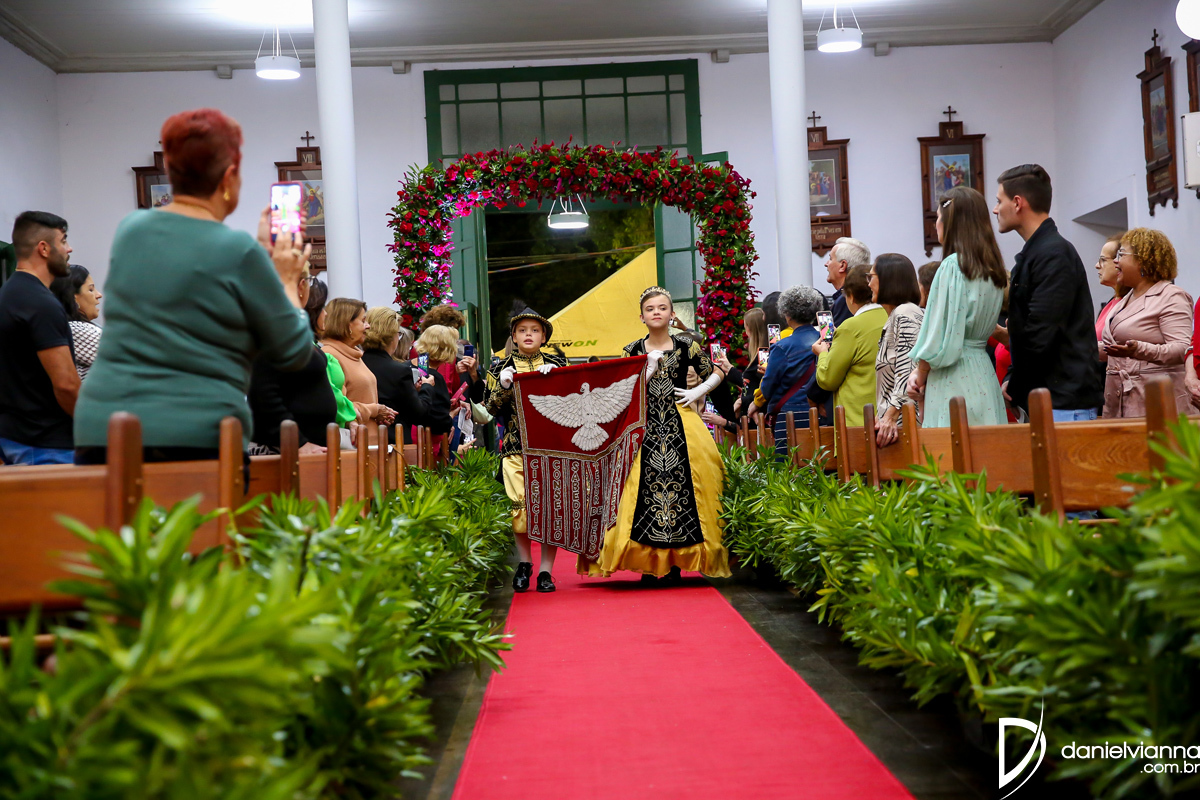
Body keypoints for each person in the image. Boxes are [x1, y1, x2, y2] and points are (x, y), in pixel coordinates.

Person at [75, 109, 313, 464]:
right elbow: (293, 352)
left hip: (104, 425)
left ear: (171, 172)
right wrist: (286, 280)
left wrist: (259, 255)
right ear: (229, 177)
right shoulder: (239, 251)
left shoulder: (131, 230)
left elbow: (192, 282)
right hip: (192, 431)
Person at [585, 287, 730, 584]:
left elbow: (717, 371)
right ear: (641, 316)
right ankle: (648, 563)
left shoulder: (687, 346)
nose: (656, 312)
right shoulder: (631, 350)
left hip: (683, 425)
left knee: (688, 489)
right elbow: (622, 391)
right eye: (650, 309)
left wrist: (698, 391)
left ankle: (676, 562)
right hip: (643, 427)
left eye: (662, 308)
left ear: (672, 314)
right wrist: (647, 370)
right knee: (641, 492)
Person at [991, 164, 1102, 421]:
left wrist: (1016, 382)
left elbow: (1041, 334)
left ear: (1017, 203)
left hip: (1064, 401)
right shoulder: (1037, 253)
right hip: (1045, 398)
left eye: (999, 201)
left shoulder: (1054, 254)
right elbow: (1027, 333)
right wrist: (1013, 377)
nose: (995, 209)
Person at [475, 307, 568, 593]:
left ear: (544, 337)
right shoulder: (498, 367)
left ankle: (546, 571)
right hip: (515, 447)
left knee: (550, 509)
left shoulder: (557, 363)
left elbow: (573, 403)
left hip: (552, 448)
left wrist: (558, 380)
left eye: (535, 330)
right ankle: (525, 563)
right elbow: (489, 410)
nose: (529, 335)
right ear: (514, 337)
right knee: (520, 509)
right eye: (522, 331)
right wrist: (504, 385)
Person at [906, 186, 1007, 427]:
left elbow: (939, 332)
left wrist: (920, 374)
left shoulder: (953, 266)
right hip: (983, 373)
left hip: (954, 376)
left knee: (953, 448)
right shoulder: (992, 269)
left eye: (938, 217)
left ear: (950, 222)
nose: (936, 225)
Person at [0, 211, 79, 465]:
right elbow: (66, 385)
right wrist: (95, 428)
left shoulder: (8, 294)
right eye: (64, 241)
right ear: (44, 249)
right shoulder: (40, 303)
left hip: (15, 437)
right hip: (46, 445)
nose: (69, 249)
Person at [1101, 228, 1194, 417]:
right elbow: (1117, 348)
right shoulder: (1126, 298)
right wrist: (1084, 349)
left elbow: (1183, 349)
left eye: (1121, 254)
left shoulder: (1171, 296)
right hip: (1120, 404)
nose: (1116, 261)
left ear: (1144, 259)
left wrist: (1139, 349)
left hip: (1157, 404)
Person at [247, 274, 337, 455]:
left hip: (304, 448)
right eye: (322, 307)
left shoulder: (291, 332)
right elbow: (262, 394)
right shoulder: (273, 330)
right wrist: (298, 443)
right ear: (301, 287)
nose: (326, 314)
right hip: (284, 452)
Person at [749, 285, 824, 454]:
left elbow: (768, 384)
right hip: (821, 412)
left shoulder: (782, 346)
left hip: (790, 413)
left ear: (787, 314)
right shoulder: (826, 341)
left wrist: (755, 403)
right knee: (818, 461)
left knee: (788, 463)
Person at [813, 265, 886, 427]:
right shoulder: (892, 316)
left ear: (851, 296)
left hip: (860, 422)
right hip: (890, 417)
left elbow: (827, 379)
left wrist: (823, 353)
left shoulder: (850, 328)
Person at [361, 306, 443, 444]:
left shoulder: (358, 364)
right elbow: (419, 414)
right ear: (390, 336)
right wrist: (427, 387)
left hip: (362, 439)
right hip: (394, 443)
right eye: (398, 334)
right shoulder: (398, 371)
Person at [321, 298, 396, 445]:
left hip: (368, 440)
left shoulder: (354, 354)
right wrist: (374, 410)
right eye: (363, 321)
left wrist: (378, 415)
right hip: (353, 444)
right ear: (347, 324)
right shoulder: (329, 355)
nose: (368, 326)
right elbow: (337, 404)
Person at [869, 254, 924, 447]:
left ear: (888, 279)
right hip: (897, 423)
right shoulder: (895, 315)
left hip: (904, 423)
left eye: (871, 277)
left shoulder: (905, 312)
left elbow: (909, 369)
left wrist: (890, 416)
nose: (869, 284)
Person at [49, 264, 103, 380]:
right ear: (73, 298)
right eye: (91, 289)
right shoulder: (76, 330)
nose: (99, 295)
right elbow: (130, 358)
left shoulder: (67, 328)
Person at [410, 323, 458, 449]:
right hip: (426, 445)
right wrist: (451, 416)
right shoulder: (434, 377)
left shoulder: (410, 367)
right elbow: (440, 422)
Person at [823, 237, 871, 326]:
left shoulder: (847, 300)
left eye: (830, 259)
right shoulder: (866, 295)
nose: (826, 264)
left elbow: (838, 334)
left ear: (842, 265)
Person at [1094, 233, 1129, 341]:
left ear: (1119, 262)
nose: (1097, 265)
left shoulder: (1131, 304)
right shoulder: (1110, 304)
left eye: (1103, 260)